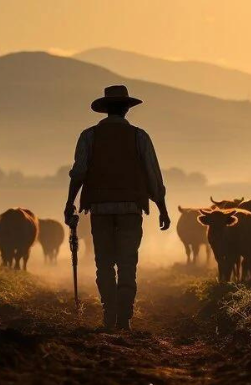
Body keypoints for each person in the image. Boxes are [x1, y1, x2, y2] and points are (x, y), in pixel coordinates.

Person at [64, 85, 171, 331]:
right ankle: (124, 317)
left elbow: (79, 172)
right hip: (131, 209)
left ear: (105, 110)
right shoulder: (139, 136)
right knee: (127, 262)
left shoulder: (89, 136)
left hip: (99, 209)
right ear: (126, 109)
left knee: (103, 262)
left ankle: (108, 314)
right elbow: (153, 176)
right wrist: (162, 207)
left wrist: (70, 202)